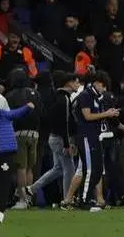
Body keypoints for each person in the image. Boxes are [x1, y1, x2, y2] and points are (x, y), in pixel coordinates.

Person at [62, 72, 124, 212]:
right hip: (86, 136)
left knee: (96, 169)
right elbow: (87, 116)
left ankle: (90, 198)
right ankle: (84, 199)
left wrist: (108, 113)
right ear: (97, 83)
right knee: (89, 169)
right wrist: (107, 114)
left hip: (95, 136)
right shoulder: (86, 96)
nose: (103, 89)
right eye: (103, 86)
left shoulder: (95, 97)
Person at [27, 73, 78, 201]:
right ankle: (68, 199)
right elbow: (65, 123)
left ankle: (31, 189)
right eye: (76, 82)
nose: (78, 85)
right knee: (69, 169)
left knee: (57, 169)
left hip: (53, 136)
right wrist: (67, 144)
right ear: (69, 83)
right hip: (60, 139)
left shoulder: (55, 96)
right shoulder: (64, 99)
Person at [5, 68, 42, 209]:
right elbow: (40, 112)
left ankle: (22, 199)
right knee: (30, 168)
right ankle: (29, 198)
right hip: (34, 134)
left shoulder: (10, 95)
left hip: (18, 133)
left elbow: (8, 116)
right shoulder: (35, 93)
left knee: (21, 167)